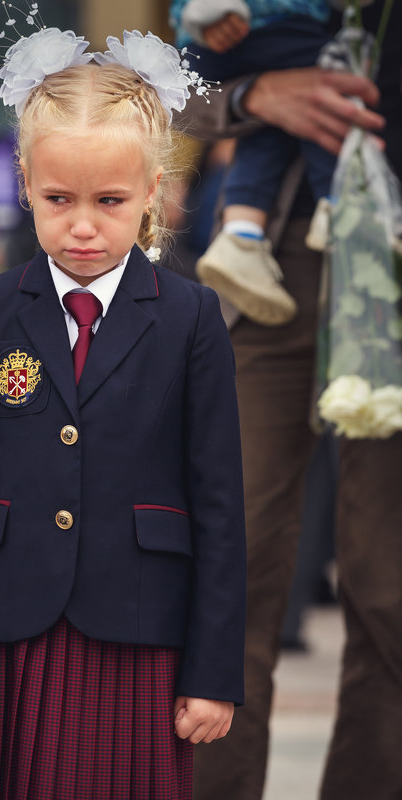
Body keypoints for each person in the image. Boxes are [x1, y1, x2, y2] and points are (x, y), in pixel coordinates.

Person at [0, 25, 246, 800]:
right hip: (7, 638)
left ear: (154, 193)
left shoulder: (192, 319)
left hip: (141, 638)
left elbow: (221, 508)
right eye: (59, 199)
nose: (84, 224)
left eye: (110, 201)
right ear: (25, 183)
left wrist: (212, 673)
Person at [180, 2, 402, 798]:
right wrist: (254, 97)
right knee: (224, 559)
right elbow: (160, 81)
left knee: (388, 584)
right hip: (267, 270)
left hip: (391, 270)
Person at [171, 0, 374, 326]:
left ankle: (242, 235)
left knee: (281, 123)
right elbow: (173, 91)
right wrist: (252, 97)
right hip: (281, 261)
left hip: (285, 257)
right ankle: (340, 211)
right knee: (324, 81)